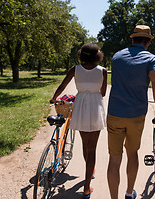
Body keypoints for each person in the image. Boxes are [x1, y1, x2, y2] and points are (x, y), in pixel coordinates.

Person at [107, 25, 155, 199]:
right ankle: (128, 193)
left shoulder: (117, 57)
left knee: (114, 158)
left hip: (115, 113)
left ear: (132, 39)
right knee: (132, 153)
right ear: (148, 42)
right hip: (136, 115)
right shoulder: (151, 59)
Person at [50, 43, 107, 199]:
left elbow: (63, 85)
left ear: (82, 54)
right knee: (93, 148)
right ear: (97, 55)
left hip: (80, 104)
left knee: (85, 144)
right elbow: (103, 93)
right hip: (95, 106)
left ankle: (89, 172)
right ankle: (87, 186)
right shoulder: (102, 71)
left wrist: (54, 98)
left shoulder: (75, 69)